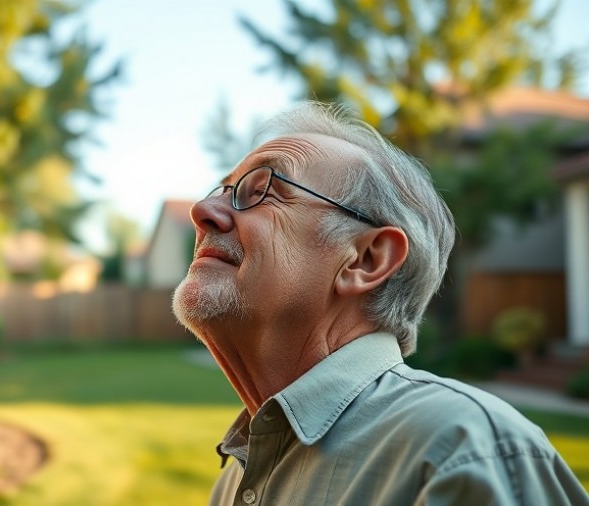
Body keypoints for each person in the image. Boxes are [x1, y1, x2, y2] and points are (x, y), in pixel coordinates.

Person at [172, 101, 589, 505]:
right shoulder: (235, 480)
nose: (203, 210)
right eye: (223, 191)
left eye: (261, 191)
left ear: (366, 260)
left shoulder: (464, 452)